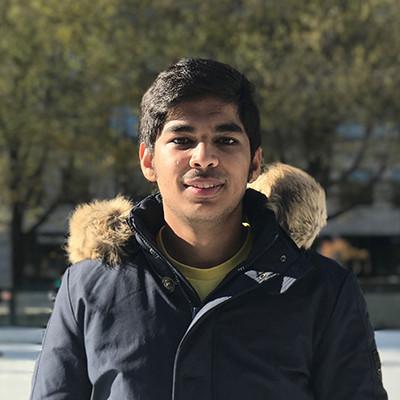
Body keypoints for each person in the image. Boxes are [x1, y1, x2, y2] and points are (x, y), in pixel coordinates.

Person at [30, 58, 387, 400]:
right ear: (148, 160)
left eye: (226, 140)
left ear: (255, 163)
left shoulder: (323, 291)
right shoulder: (89, 288)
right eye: (182, 140)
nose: (204, 157)